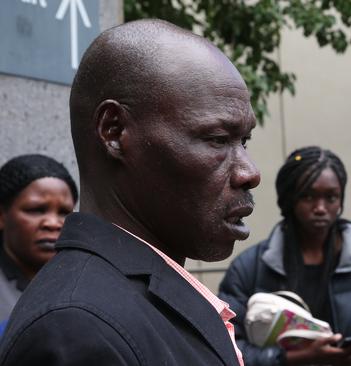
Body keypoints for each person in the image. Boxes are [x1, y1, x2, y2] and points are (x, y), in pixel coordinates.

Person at [0, 19, 260, 366]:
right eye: (216, 139)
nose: (249, 172)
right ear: (114, 130)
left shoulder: (133, 303)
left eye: (243, 141)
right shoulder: (76, 329)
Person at [219, 146, 351, 366]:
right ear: (289, 199)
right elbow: (227, 346)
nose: (320, 208)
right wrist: (291, 359)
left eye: (331, 197)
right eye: (308, 196)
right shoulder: (250, 267)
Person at [0, 154, 77, 328]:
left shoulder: (87, 282)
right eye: (36, 210)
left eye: (64, 212)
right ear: (2, 216)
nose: (53, 223)